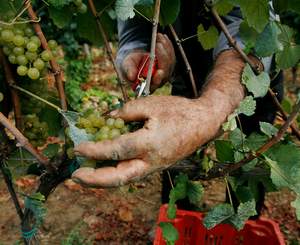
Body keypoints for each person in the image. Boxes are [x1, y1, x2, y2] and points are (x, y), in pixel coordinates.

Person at [72, 1, 283, 209]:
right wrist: (137, 55)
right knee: (173, 158)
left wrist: (210, 107)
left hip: (250, 78)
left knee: (252, 158)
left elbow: (251, 29)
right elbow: (133, 30)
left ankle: (242, 226)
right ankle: (180, 218)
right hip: (187, 71)